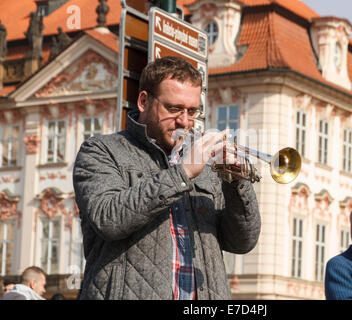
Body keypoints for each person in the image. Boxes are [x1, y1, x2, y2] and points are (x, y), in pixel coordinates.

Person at [73, 56, 261, 300]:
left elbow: (242, 242)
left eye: (192, 111)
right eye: (173, 109)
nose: (184, 121)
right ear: (144, 101)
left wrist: (236, 183)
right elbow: (108, 219)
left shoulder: (204, 163)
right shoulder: (100, 151)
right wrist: (182, 174)